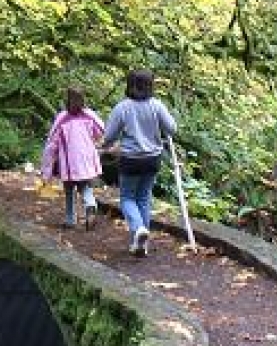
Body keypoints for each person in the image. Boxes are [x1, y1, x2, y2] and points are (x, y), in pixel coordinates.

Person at [100, 69, 177, 257]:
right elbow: (172, 129)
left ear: (130, 85)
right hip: (152, 159)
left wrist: (105, 146)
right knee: (143, 198)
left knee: (127, 198)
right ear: (151, 85)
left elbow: (109, 135)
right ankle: (142, 244)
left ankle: (138, 229)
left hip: (130, 159)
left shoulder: (122, 107)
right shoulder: (157, 106)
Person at [39, 86, 105, 230]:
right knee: (84, 186)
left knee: (69, 188)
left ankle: (70, 219)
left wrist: (46, 169)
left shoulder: (62, 118)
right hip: (86, 160)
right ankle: (90, 204)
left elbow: (52, 144)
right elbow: (100, 133)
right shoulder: (90, 116)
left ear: (67, 100)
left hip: (69, 162)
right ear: (84, 99)